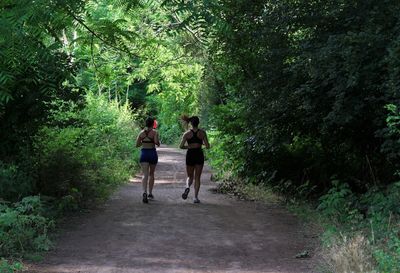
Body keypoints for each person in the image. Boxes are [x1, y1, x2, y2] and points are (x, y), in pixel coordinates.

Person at [179, 115, 210, 203]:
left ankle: (187, 187)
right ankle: (195, 197)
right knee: (197, 177)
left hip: (190, 154)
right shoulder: (202, 133)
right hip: (199, 154)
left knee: (190, 176)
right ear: (198, 123)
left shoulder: (187, 134)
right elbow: (207, 146)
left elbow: (181, 146)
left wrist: (189, 146)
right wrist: (202, 144)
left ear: (191, 124)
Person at [136, 117, 160, 203]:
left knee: (144, 174)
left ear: (146, 124)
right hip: (152, 154)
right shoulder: (155, 132)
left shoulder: (141, 133)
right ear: (152, 124)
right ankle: (150, 193)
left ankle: (144, 192)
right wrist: (154, 140)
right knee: (151, 174)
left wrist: (144, 141)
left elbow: (137, 145)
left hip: (144, 154)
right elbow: (157, 143)